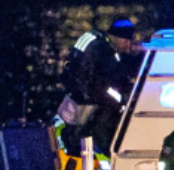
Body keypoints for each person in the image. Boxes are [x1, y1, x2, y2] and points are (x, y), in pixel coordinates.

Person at [56, 17, 142, 160]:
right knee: (86, 140)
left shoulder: (104, 50)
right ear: (115, 36)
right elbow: (103, 87)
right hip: (86, 105)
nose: (128, 46)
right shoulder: (105, 53)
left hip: (83, 102)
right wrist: (122, 101)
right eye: (126, 41)